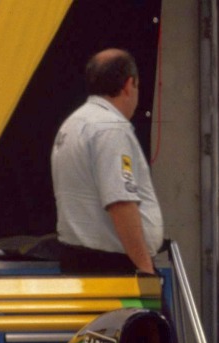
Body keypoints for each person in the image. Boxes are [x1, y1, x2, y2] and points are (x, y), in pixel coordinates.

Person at [51, 48, 164, 276]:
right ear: (128, 84)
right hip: (113, 268)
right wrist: (145, 269)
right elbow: (120, 203)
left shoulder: (73, 124)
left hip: (79, 261)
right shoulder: (110, 129)